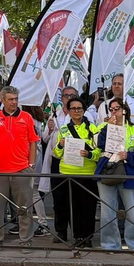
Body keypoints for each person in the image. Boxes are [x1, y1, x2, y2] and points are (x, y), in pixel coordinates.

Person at [0, 86, 38, 244]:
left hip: (21, 169)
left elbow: (33, 141)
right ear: (2, 100)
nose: (14, 102)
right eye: (11, 99)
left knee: (24, 207)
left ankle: (26, 239)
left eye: (16, 99)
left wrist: (31, 164)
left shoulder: (26, 117)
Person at [94, 99, 134, 251]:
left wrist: (128, 156)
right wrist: (108, 127)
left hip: (128, 173)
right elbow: (96, 144)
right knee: (107, 212)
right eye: (111, 109)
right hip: (107, 171)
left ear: (125, 110)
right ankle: (110, 245)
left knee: (132, 211)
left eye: (117, 108)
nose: (113, 112)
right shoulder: (103, 127)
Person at [51, 94, 99, 247]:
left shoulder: (93, 129)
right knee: (73, 207)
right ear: (69, 111)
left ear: (84, 110)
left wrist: (89, 154)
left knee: (89, 208)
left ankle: (88, 237)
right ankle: (78, 237)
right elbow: (56, 154)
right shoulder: (64, 129)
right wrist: (61, 145)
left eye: (79, 108)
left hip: (87, 173)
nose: (76, 111)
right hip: (68, 173)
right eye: (73, 108)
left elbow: (99, 152)